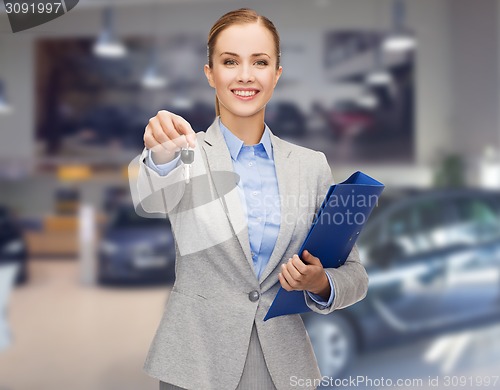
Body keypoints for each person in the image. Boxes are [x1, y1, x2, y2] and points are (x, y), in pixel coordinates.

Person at [129, 8, 368, 390]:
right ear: (210, 72)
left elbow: (355, 275)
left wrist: (321, 282)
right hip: (195, 362)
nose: (245, 75)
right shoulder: (185, 153)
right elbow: (153, 194)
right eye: (229, 61)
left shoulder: (311, 167)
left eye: (260, 62)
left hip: (283, 362)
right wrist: (159, 153)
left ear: (276, 74)